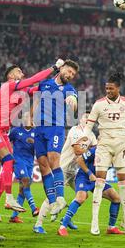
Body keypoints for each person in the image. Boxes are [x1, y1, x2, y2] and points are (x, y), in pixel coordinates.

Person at [0, 61, 64, 218]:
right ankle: (9, 198)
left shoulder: (19, 91)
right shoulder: (8, 85)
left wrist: (57, 77)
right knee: (8, 161)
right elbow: (33, 80)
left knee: (10, 162)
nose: (22, 74)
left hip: (1, 130)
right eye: (19, 71)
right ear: (11, 75)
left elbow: (38, 88)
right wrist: (54, 67)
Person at [84, 73, 125, 237]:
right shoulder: (98, 105)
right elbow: (88, 127)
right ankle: (95, 221)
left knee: (124, 181)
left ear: (118, 88)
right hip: (104, 144)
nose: (108, 91)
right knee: (99, 180)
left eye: (111, 88)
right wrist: (84, 139)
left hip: (122, 145)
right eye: (106, 88)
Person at [33, 111, 96, 233]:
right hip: (63, 168)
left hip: (74, 171)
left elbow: (97, 150)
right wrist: (90, 150)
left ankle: (66, 218)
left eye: (90, 118)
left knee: (83, 195)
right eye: (85, 117)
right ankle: (38, 225)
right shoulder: (75, 130)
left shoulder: (91, 135)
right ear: (80, 120)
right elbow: (78, 150)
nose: (88, 119)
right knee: (52, 197)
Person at [33, 59, 79, 225]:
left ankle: (60, 198)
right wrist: (32, 118)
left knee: (53, 161)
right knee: (43, 166)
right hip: (39, 129)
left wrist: (72, 102)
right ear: (62, 69)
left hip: (55, 128)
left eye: (73, 74)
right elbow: (36, 101)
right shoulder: (44, 84)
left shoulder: (69, 89)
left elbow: (73, 103)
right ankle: (53, 202)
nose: (70, 75)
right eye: (69, 71)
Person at [58, 146, 124, 236]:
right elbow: (79, 160)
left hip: (98, 180)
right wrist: (90, 174)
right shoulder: (97, 150)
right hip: (84, 177)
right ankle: (63, 226)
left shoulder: (116, 156)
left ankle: (111, 227)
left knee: (116, 198)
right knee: (81, 198)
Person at [8, 112, 39, 223]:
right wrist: (8, 156)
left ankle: (14, 216)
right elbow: (6, 141)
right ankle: (34, 207)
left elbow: (41, 148)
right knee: (26, 181)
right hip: (18, 161)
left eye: (29, 117)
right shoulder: (16, 130)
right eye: (25, 117)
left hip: (30, 162)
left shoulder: (36, 132)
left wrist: (35, 142)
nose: (26, 119)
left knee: (22, 189)